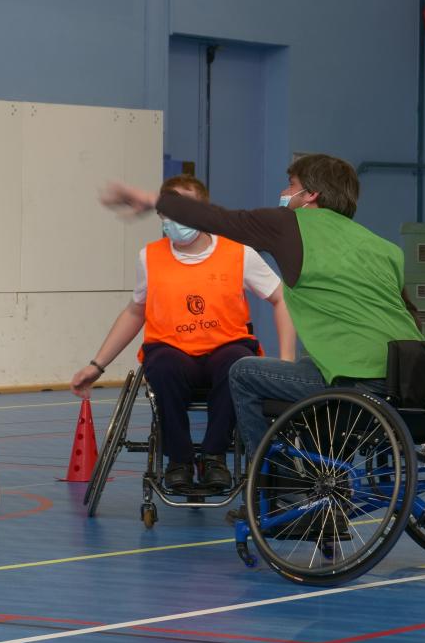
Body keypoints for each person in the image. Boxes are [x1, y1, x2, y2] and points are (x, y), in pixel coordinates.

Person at [99, 153, 424, 459]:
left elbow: (219, 219)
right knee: (303, 366)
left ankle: (266, 475)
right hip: (405, 374)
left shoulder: (290, 224)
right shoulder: (384, 247)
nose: (285, 193)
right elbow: (408, 314)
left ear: (310, 195)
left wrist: (154, 200)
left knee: (243, 371)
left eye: (291, 186)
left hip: (348, 378)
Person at [71, 175, 295, 490]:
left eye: (186, 207)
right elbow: (135, 311)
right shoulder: (150, 257)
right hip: (174, 353)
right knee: (161, 365)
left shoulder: (238, 253)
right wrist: (96, 366)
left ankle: (214, 457)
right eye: (171, 208)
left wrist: (286, 361)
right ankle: (179, 460)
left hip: (225, 350)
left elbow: (281, 298)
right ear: (161, 214)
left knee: (239, 365)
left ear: (203, 212)